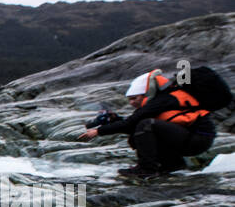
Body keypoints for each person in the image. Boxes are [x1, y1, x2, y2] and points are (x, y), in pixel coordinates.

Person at [79, 69, 216, 178]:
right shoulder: (163, 99)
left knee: (146, 125)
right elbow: (131, 125)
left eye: (135, 98)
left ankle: (146, 169)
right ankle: (173, 166)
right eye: (129, 100)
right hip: (192, 138)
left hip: (197, 139)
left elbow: (132, 124)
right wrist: (115, 120)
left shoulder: (163, 100)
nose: (132, 103)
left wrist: (98, 131)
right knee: (140, 131)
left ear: (146, 93)